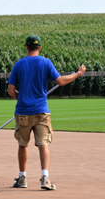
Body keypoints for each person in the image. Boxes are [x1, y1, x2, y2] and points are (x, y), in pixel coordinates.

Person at [7, 35, 85, 190]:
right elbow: (61, 81)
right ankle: (45, 178)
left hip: (23, 112)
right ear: (40, 48)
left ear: (27, 47)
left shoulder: (19, 65)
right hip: (41, 111)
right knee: (43, 145)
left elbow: (10, 91)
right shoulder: (46, 62)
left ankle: (22, 178)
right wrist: (78, 73)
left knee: (23, 145)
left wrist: (21, 99)